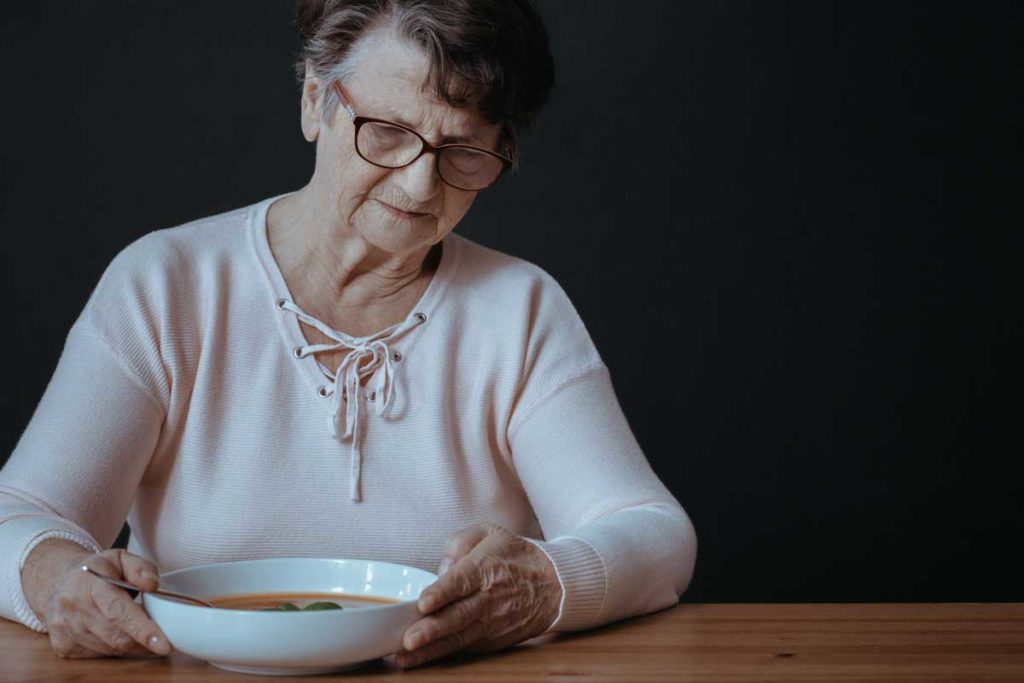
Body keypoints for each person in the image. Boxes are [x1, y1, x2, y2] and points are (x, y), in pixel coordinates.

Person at [0, 0, 696, 668]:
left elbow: (657, 535)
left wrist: (546, 582)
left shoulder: (519, 310)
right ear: (315, 101)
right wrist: (57, 579)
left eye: (461, 152)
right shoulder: (168, 284)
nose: (420, 184)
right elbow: (19, 514)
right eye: (387, 131)